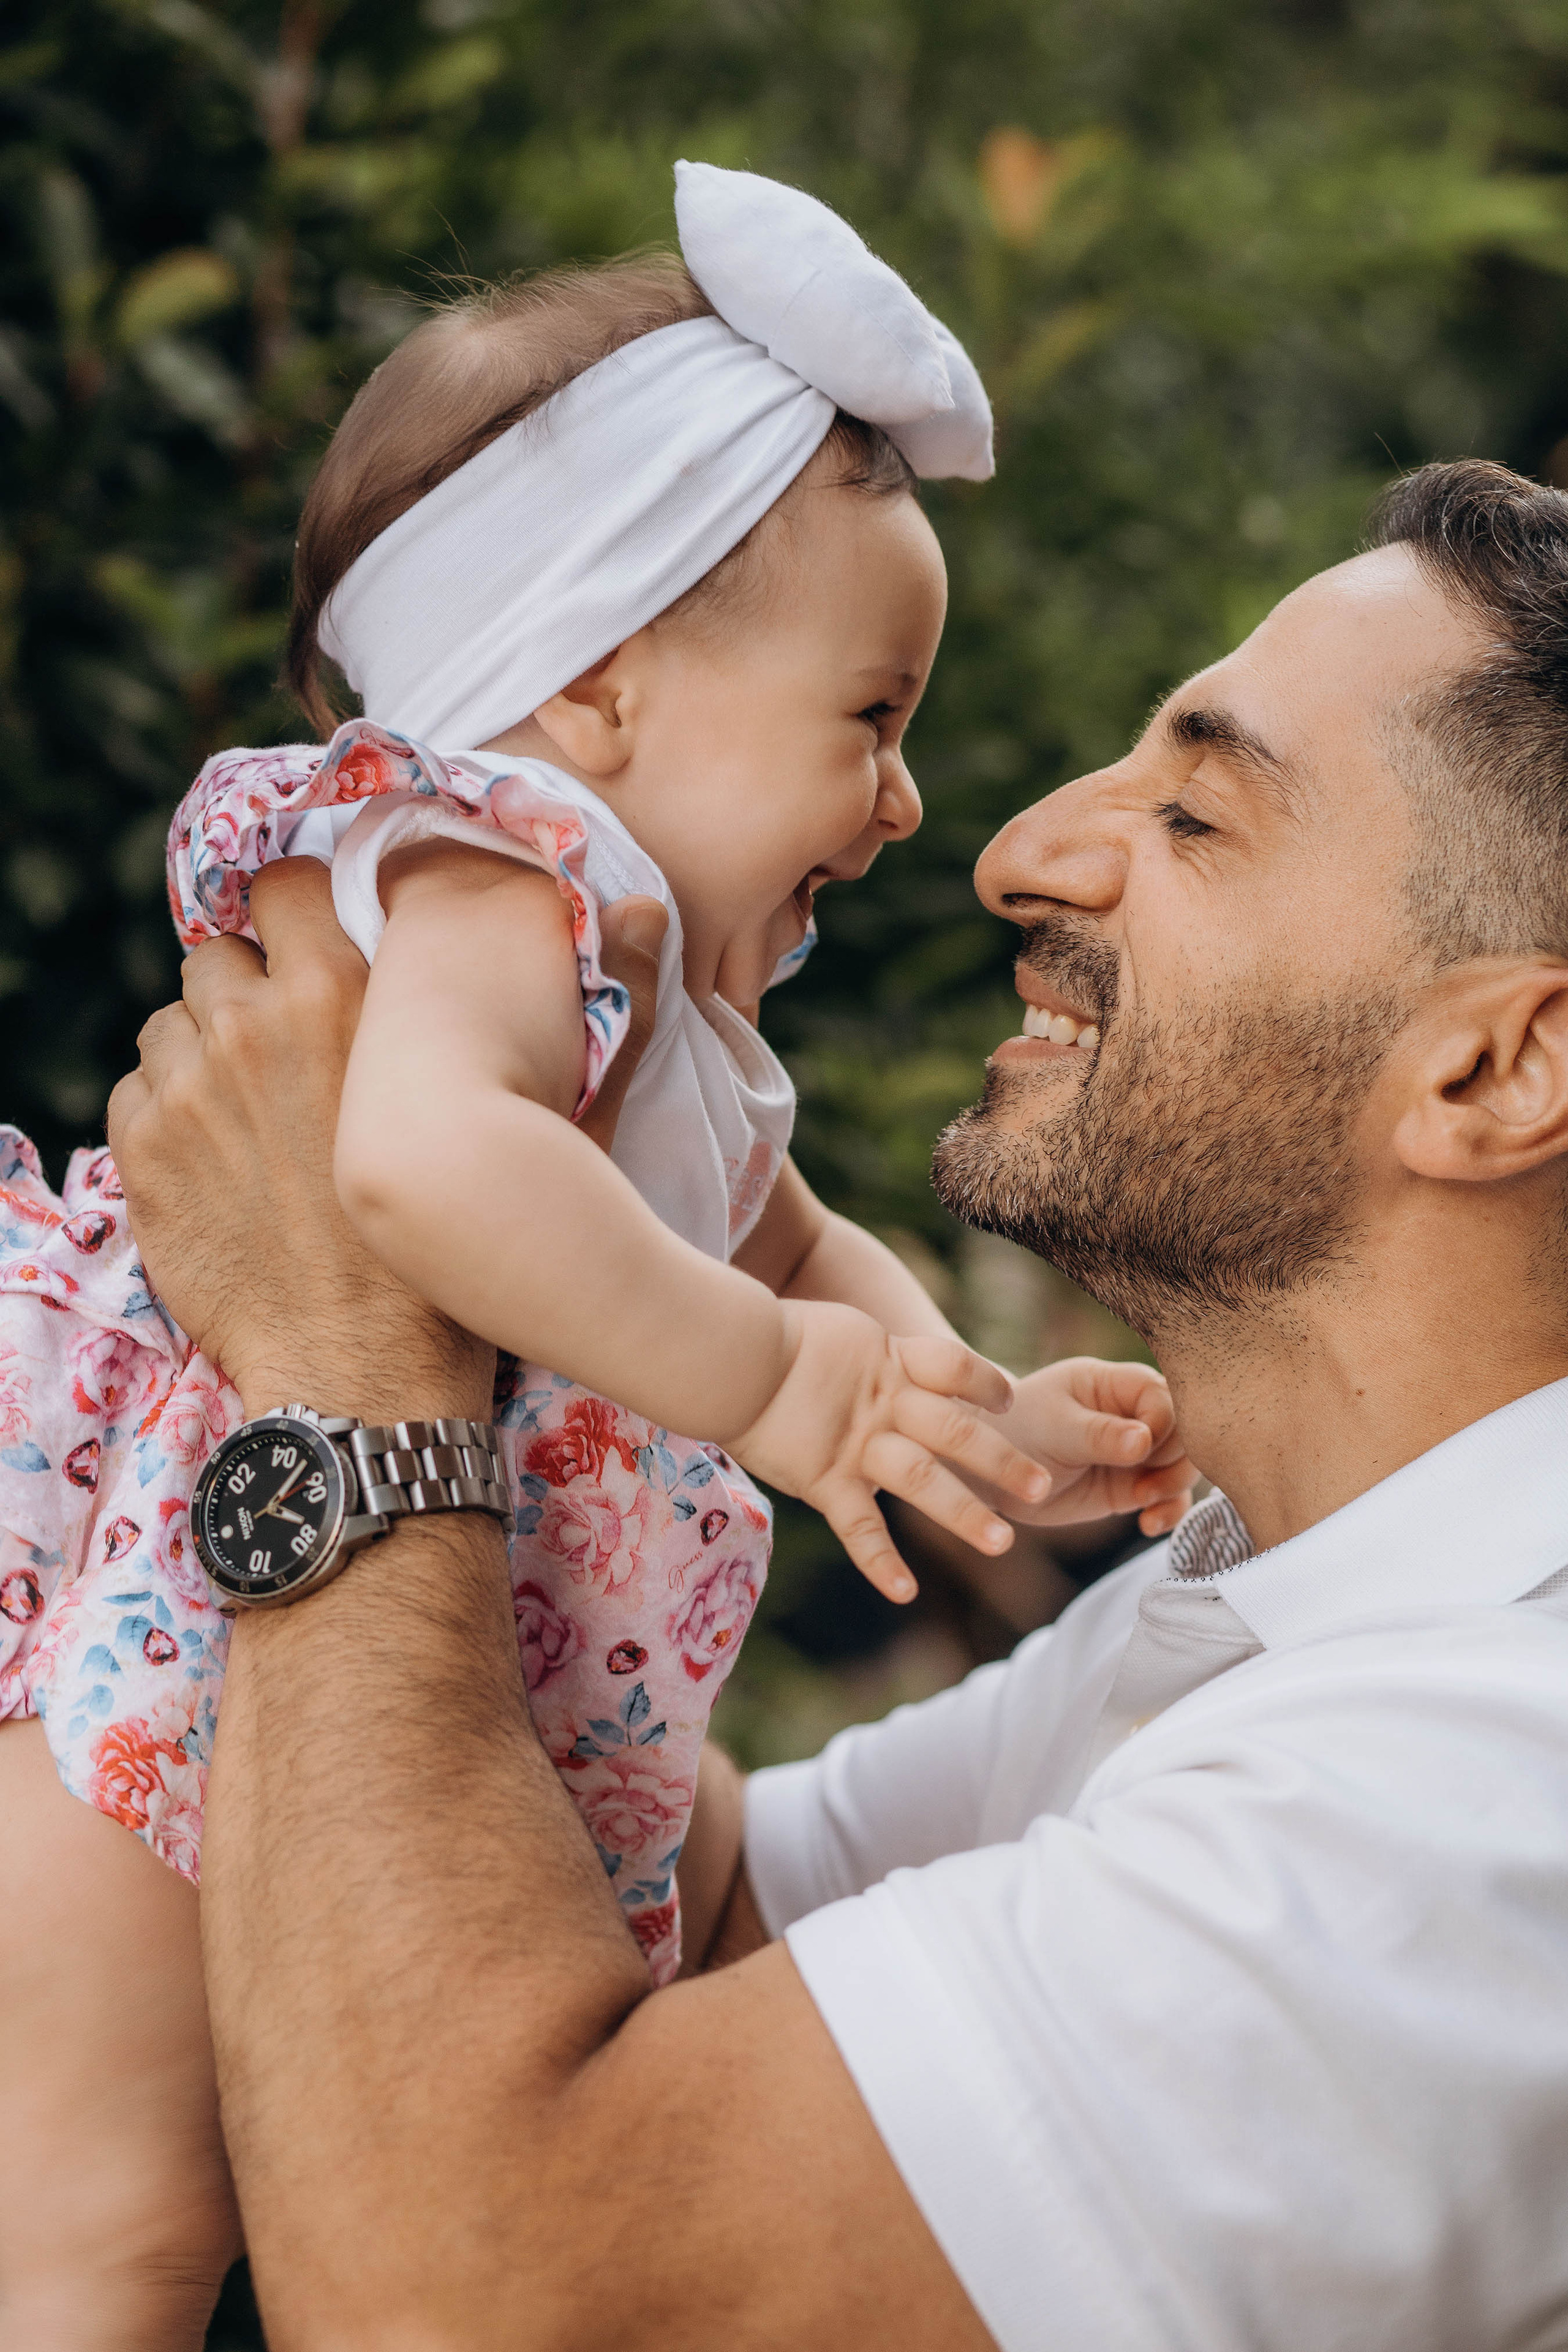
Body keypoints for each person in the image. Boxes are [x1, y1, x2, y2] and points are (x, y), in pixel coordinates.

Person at [98, 453, 1568, 2351]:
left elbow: (478, 2296)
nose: (1017, 848)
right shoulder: (1248, 1627)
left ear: (1499, 1066)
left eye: (1197, 813)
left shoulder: (1476, 1799)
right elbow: (678, 1908)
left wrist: (345, 1359)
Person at [0, 165, 1196, 2352]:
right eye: (872, 717)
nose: (909, 800)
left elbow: (803, 1241)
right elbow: (420, 1170)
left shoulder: (667, 1021)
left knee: (193, 2232)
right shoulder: (492, 883)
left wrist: (963, 1407)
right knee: (98, 2233)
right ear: (602, 685)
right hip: (170, 1651)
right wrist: (770, 1388)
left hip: (323, 1671)